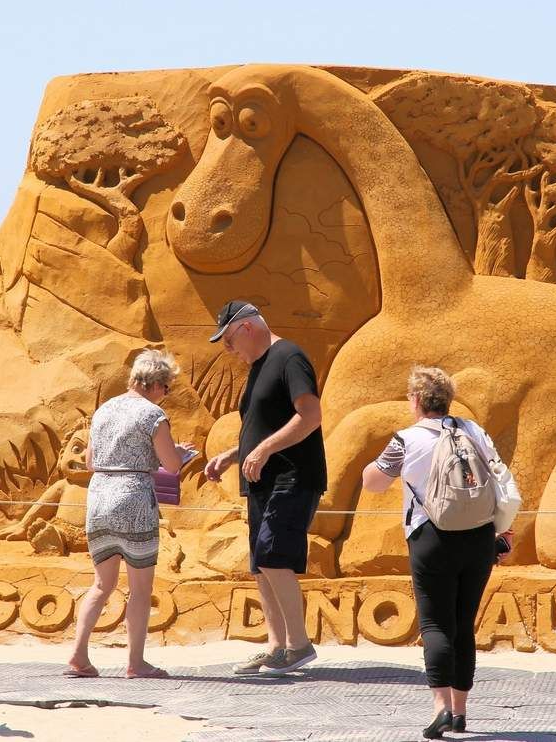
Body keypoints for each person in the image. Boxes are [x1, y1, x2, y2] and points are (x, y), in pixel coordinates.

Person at [361, 366, 515, 739]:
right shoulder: (473, 431)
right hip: (479, 537)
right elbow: (500, 478)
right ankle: (461, 713)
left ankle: (440, 708)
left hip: (431, 537)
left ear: (415, 400)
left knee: (435, 624)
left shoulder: (406, 439)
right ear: (448, 400)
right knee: (464, 622)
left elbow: (374, 483)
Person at [203, 301, 326, 676]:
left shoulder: (289, 356)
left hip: (292, 477)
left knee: (274, 555)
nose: (228, 350)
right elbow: (264, 427)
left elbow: (310, 416)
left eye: (227, 341)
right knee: (260, 564)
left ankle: (299, 645)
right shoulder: (258, 368)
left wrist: (264, 449)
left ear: (245, 329)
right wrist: (232, 454)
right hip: (262, 481)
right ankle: (276, 647)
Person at [66, 349, 195, 679]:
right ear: (156, 384)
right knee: (140, 588)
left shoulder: (104, 411)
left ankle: (79, 656)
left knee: (101, 585)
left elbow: (91, 463)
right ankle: (135, 663)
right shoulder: (152, 416)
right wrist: (179, 453)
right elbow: (172, 465)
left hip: (98, 498)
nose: (166, 395)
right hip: (134, 500)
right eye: (167, 388)